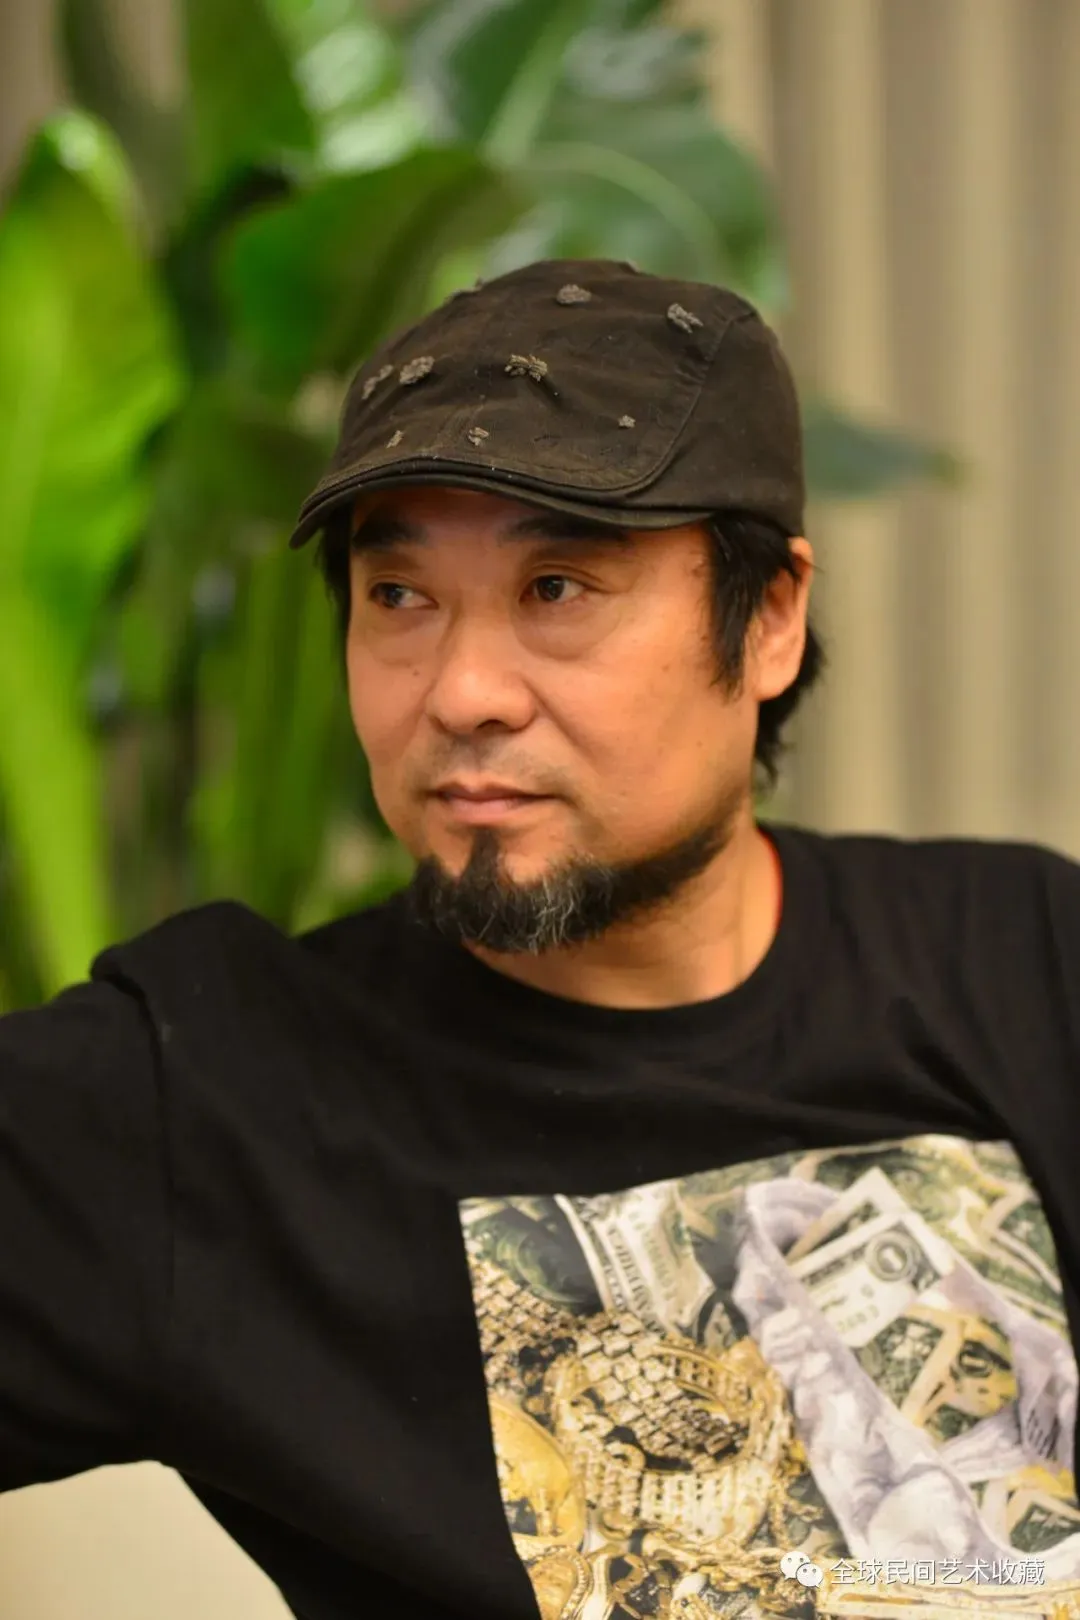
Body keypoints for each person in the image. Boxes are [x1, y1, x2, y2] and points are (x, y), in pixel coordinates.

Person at [2, 257, 1080, 1620]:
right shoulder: (209, 1098)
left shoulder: (1029, 961)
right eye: (400, 597)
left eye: (559, 587)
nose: (461, 691)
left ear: (769, 620)